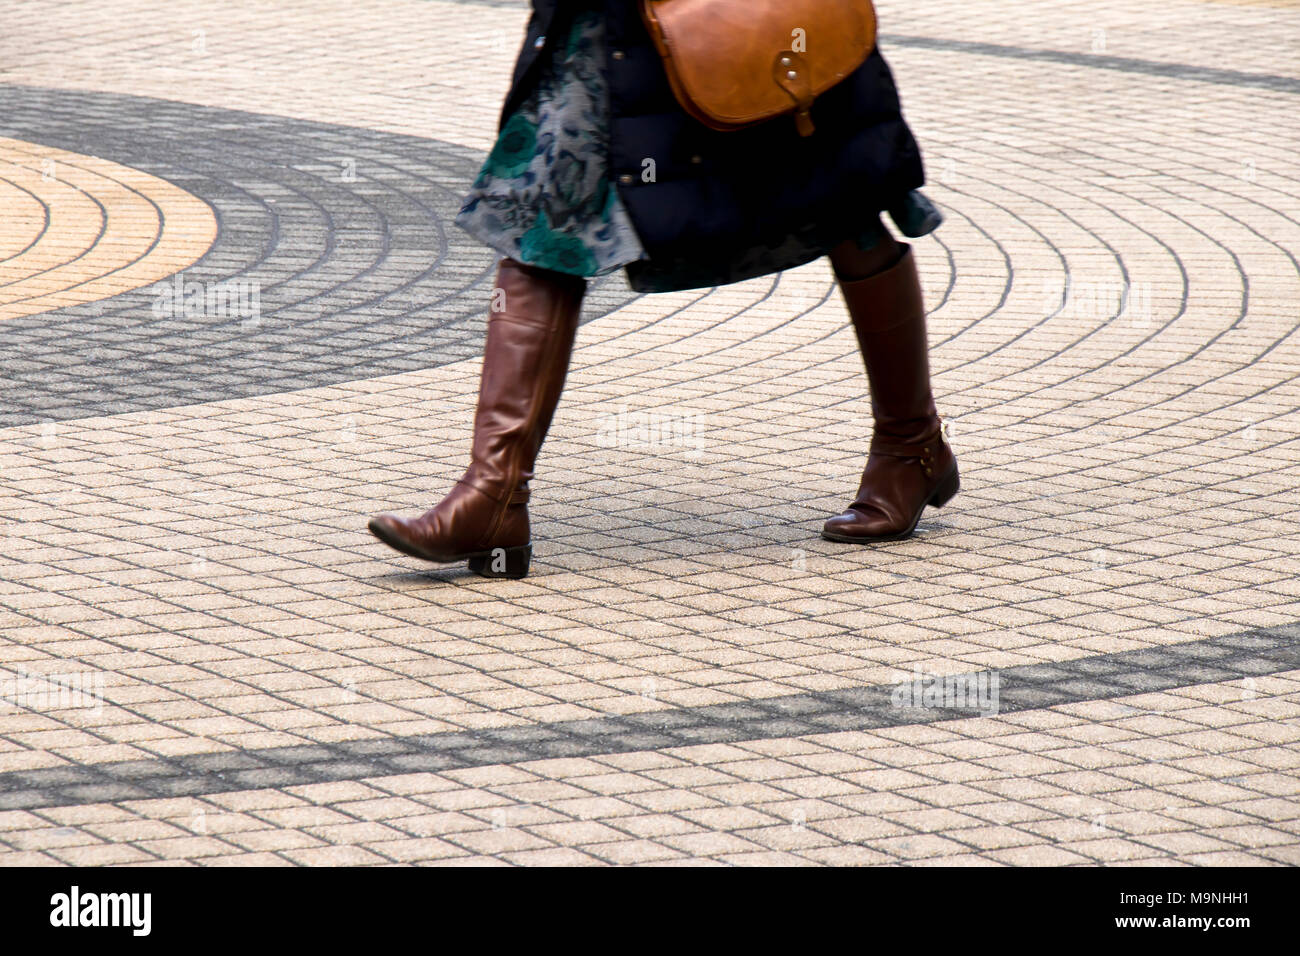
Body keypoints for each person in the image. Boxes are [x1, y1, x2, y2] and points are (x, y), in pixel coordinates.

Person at [368, 0, 959, 578]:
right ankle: (492, 493)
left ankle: (911, 445)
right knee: (545, 218)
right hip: (605, 23)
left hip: (746, 20)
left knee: (844, 195)